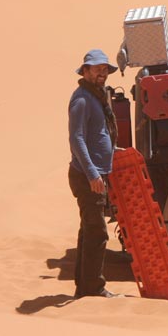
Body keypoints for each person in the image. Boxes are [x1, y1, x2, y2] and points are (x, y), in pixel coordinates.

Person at [68, 49, 121, 298]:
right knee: (97, 231)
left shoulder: (95, 96)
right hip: (88, 177)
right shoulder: (81, 99)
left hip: (96, 174)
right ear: (86, 70)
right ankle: (93, 288)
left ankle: (84, 286)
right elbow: (76, 139)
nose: (102, 72)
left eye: (105, 69)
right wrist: (92, 174)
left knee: (89, 230)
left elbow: (98, 133)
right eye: (97, 68)